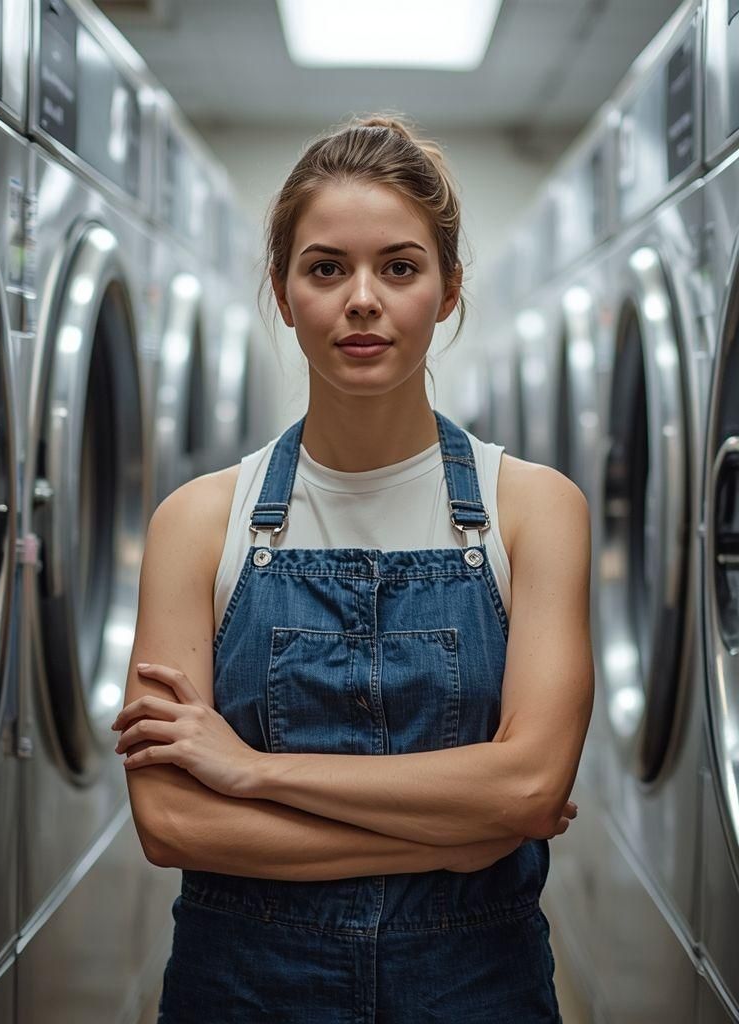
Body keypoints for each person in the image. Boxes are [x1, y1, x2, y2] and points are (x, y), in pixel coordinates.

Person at [112, 113, 594, 1023]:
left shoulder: (533, 509)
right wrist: (456, 837)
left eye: (399, 268)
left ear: (448, 290)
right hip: (241, 990)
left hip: (476, 989)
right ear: (283, 293)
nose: (362, 299)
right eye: (326, 268)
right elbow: (173, 823)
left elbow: (531, 787)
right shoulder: (197, 522)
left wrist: (253, 773)